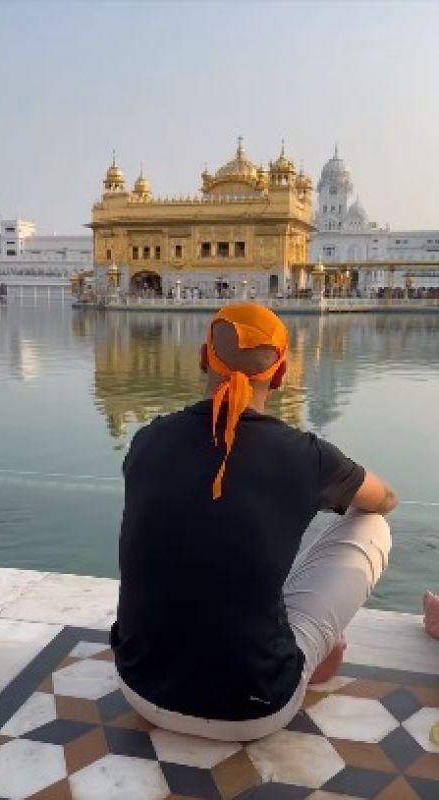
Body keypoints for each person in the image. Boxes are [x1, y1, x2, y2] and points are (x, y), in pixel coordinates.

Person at [110, 303, 397, 742]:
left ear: (203, 357)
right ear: (280, 375)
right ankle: (312, 649)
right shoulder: (307, 456)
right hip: (256, 707)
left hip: (137, 685)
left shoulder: (149, 438)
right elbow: (385, 500)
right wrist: (317, 488)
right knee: (372, 525)